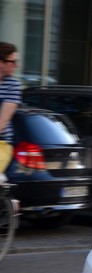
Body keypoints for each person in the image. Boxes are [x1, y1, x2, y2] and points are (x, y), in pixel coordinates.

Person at [0, 42, 21, 183]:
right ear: (1, 63)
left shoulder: (12, 85)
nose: (16, 66)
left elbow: (2, 122)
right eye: (13, 62)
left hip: (2, 144)